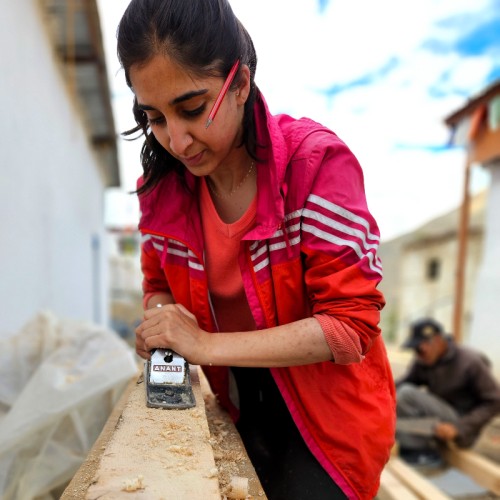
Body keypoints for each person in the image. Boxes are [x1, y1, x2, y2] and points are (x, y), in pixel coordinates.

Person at [117, 1, 396, 498]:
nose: (177, 141)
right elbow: (158, 285)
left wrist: (202, 345)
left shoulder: (313, 166)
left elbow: (350, 326)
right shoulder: (162, 188)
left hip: (329, 420)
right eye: (153, 117)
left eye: (193, 109)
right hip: (234, 400)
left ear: (240, 83)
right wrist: (164, 323)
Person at [396, 318, 500, 466]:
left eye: (420, 349)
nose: (417, 354)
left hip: (462, 425)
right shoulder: (424, 360)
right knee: (394, 421)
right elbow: (404, 382)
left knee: (406, 394)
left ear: (437, 340)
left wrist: (460, 428)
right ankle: (420, 446)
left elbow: (495, 401)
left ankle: (422, 451)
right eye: (415, 350)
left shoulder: (470, 361)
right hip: (439, 424)